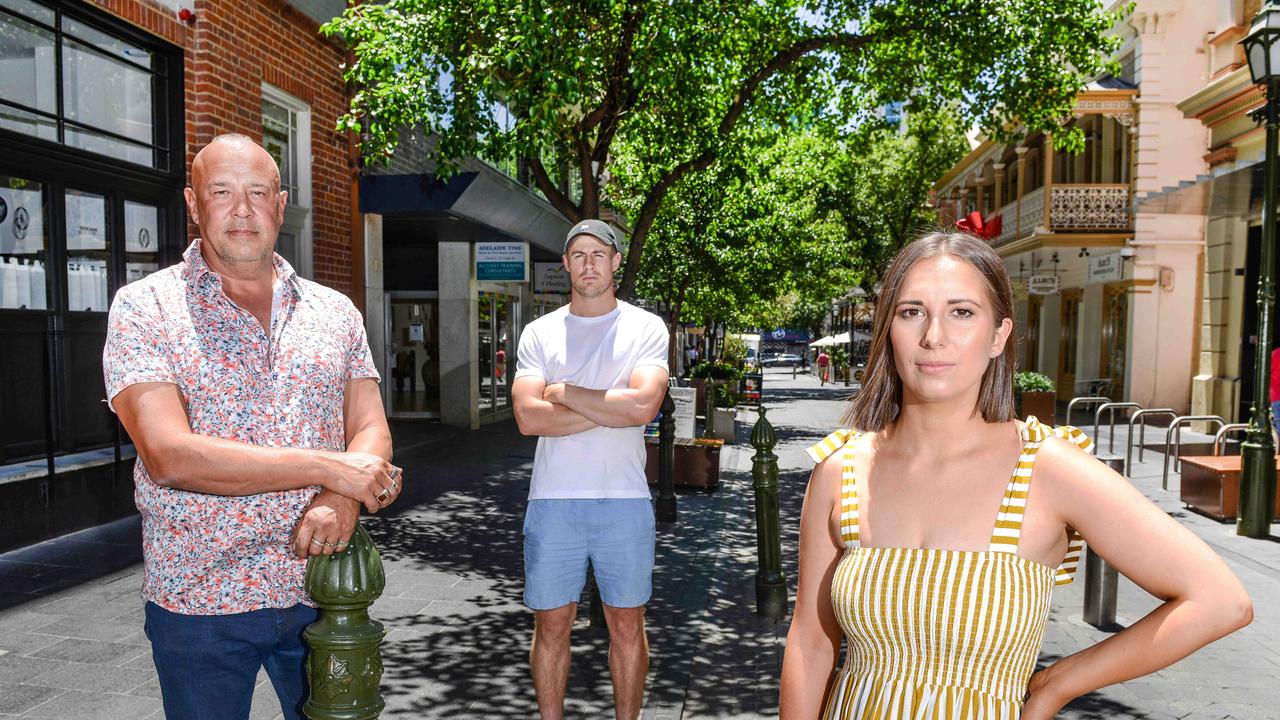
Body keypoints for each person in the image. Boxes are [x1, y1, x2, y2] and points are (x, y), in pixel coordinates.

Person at [779, 231, 1252, 719]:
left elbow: (1219, 600)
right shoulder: (842, 471)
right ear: (888, 330)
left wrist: (1058, 682)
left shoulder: (1048, 468)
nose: (933, 335)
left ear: (998, 336)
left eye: (961, 312)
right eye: (911, 312)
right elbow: (810, 645)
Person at [103, 134, 402, 720]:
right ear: (193, 204)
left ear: (280, 205)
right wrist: (329, 467)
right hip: (201, 599)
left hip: (323, 591)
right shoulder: (145, 308)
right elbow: (170, 455)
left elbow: (370, 429)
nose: (241, 209)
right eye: (221, 192)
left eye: (257, 192)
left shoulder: (334, 311)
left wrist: (341, 495)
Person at [511, 219, 670, 720]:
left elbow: (645, 406)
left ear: (616, 261)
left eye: (598, 254)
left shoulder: (646, 327)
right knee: (552, 625)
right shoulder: (539, 332)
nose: (588, 264)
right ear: (565, 264)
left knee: (627, 624)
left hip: (625, 500)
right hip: (552, 501)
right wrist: (610, 408)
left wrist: (564, 392)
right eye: (578, 255)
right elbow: (527, 417)